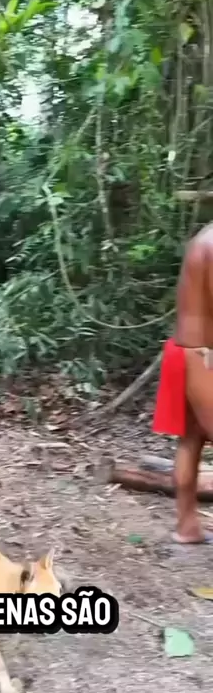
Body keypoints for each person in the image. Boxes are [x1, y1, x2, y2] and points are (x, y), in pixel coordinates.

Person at [153, 223, 213, 544]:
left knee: (190, 440)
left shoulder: (203, 238)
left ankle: (186, 525)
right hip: (205, 355)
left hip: (183, 351)